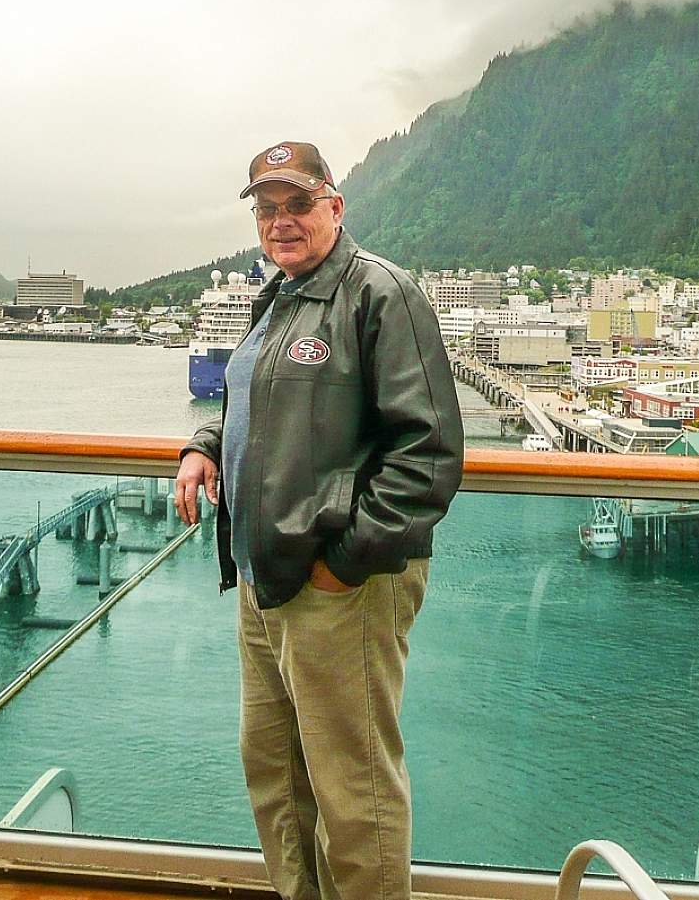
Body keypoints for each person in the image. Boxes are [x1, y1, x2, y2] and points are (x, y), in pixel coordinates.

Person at [175, 141, 464, 900]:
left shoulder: (380, 293)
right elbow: (251, 404)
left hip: (339, 585)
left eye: (297, 203)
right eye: (267, 209)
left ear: (335, 206)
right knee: (274, 770)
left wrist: (342, 564)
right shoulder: (279, 296)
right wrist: (203, 447)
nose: (281, 221)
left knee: (353, 787)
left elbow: (428, 453)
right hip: (265, 577)